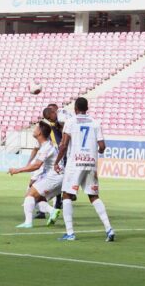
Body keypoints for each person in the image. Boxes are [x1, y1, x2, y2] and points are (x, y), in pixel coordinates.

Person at [54, 97, 115, 242]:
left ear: (75, 109)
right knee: (94, 196)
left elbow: (63, 145)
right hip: (91, 163)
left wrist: (56, 162)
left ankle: (70, 233)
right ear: (87, 108)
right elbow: (102, 147)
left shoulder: (70, 122)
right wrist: (97, 151)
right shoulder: (95, 122)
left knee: (67, 195)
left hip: (75, 163)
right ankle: (109, 228)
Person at [9, 122, 63, 228]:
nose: (34, 129)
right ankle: (52, 211)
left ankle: (28, 222)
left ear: (40, 133)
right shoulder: (45, 144)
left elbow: (37, 165)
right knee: (38, 198)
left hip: (54, 177)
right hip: (57, 177)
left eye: (36, 128)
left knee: (30, 195)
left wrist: (17, 170)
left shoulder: (46, 147)